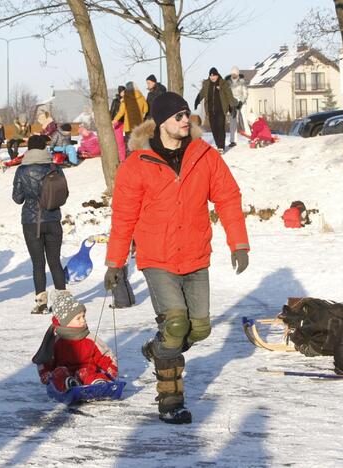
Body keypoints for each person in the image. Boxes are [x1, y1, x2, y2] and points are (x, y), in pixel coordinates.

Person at [104, 92, 250, 424]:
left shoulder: (204, 156)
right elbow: (124, 216)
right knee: (175, 324)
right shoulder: (137, 164)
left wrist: (238, 243)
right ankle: (171, 400)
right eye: (179, 116)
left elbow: (228, 196)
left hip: (196, 254)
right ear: (161, 122)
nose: (187, 120)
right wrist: (115, 262)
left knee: (199, 329)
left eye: (187, 114)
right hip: (157, 257)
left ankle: (158, 350)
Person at [12, 135, 66, 314]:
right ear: (44, 147)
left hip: (31, 221)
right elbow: (63, 194)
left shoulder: (22, 170)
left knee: (38, 263)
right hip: (53, 219)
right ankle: (63, 302)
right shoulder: (55, 167)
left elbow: (17, 198)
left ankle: (41, 303)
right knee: (55, 261)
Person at [32, 292, 118, 392]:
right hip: (64, 375)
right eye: (78, 318)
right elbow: (45, 359)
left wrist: (111, 367)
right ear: (66, 322)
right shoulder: (56, 341)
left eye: (83, 316)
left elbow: (104, 355)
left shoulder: (90, 338)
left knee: (87, 373)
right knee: (59, 373)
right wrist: (45, 373)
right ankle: (69, 385)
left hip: (87, 373)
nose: (83, 321)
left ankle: (98, 384)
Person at [195, 67, 233, 152]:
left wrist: (231, 106)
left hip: (221, 109)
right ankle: (218, 144)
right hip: (210, 110)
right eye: (211, 76)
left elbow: (229, 95)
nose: (213, 77)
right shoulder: (207, 84)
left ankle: (221, 146)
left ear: (217, 75)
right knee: (214, 128)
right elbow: (202, 93)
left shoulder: (223, 83)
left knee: (220, 127)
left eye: (214, 76)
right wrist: (197, 100)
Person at [225, 66, 249, 147]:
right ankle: (233, 140)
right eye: (232, 73)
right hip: (232, 103)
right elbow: (227, 94)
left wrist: (241, 102)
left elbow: (245, 93)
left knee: (245, 120)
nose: (233, 74)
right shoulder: (228, 82)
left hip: (241, 101)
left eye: (235, 73)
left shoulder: (242, 81)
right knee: (233, 122)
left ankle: (250, 137)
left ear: (238, 73)